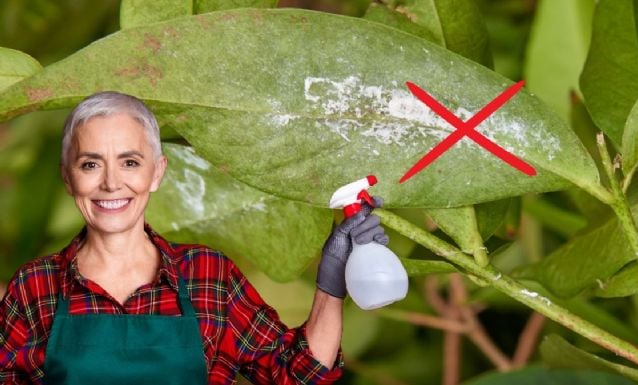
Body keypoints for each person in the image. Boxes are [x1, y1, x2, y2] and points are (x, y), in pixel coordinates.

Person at [0, 91, 389, 384]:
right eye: (90, 164)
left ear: (156, 172)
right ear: (68, 178)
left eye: (130, 162)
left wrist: (332, 280)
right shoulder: (35, 286)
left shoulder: (208, 276)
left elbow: (299, 376)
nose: (111, 183)